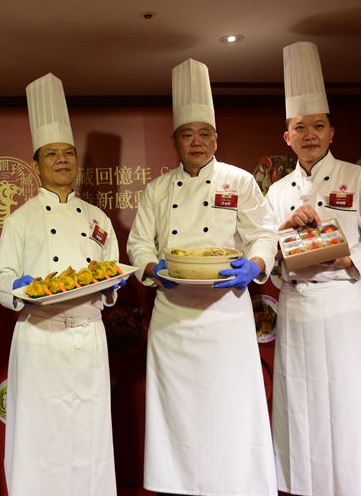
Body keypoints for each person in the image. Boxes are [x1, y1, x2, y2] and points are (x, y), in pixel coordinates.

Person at [127, 59, 278, 496]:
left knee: (229, 404)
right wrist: (154, 270)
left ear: (217, 137)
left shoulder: (240, 181)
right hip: (173, 316)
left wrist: (255, 265)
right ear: (174, 140)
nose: (196, 142)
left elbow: (264, 232)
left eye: (204, 133)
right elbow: (139, 244)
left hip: (226, 313)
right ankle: (180, 485)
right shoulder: (158, 189)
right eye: (187, 134)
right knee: (179, 409)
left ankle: (238, 485)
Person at [266, 41, 361, 496]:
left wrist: (350, 258)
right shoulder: (277, 190)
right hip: (298, 305)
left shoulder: (357, 177)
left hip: (344, 300)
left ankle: (357, 485)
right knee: (301, 402)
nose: (309, 135)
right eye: (299, 128)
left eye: (317, 126)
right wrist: (282, 241)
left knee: (349, 399)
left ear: (331, 132)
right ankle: (304, 486)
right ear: (287, 137)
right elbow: (267, 251)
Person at [0, 73, 121, 496]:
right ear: (35, 164)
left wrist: (108, 285)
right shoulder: (21, 217)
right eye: (52, 154)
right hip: (40, 337)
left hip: (88, 337)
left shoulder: (98, 219)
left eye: (68, 153)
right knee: (40, 437)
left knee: (90, 435)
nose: (62, 160)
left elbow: (112, 272)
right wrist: (19, 287)